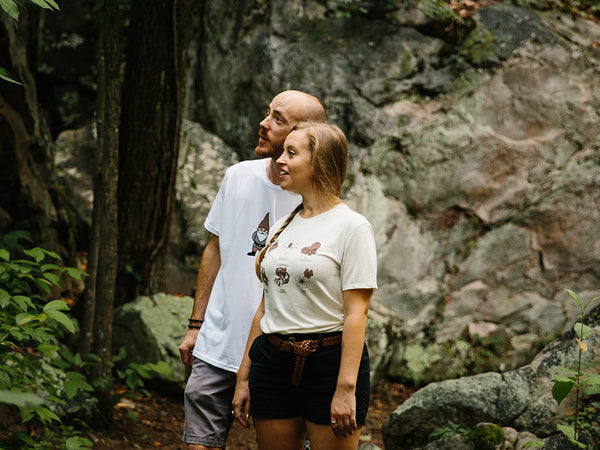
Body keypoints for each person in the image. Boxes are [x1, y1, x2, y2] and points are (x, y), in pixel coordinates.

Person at [178, 91, 328, 450]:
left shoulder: (318, 201)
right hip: (219, 342)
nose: (263, 123)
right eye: (267, 113)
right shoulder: (237, 177)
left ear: (303, 136)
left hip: (279, 354)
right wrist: (196, 325)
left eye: (278, 119)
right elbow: (215, 249)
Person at [232, 122, 377, 450]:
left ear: (320, 162)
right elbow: (266, 305)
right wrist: (244, 375)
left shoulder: (352, 227)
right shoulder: (284, 225)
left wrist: (346, 388)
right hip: (272, 362)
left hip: (328, 364)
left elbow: (357, 313)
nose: (280, 160)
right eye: (282, 152)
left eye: (291, 153)